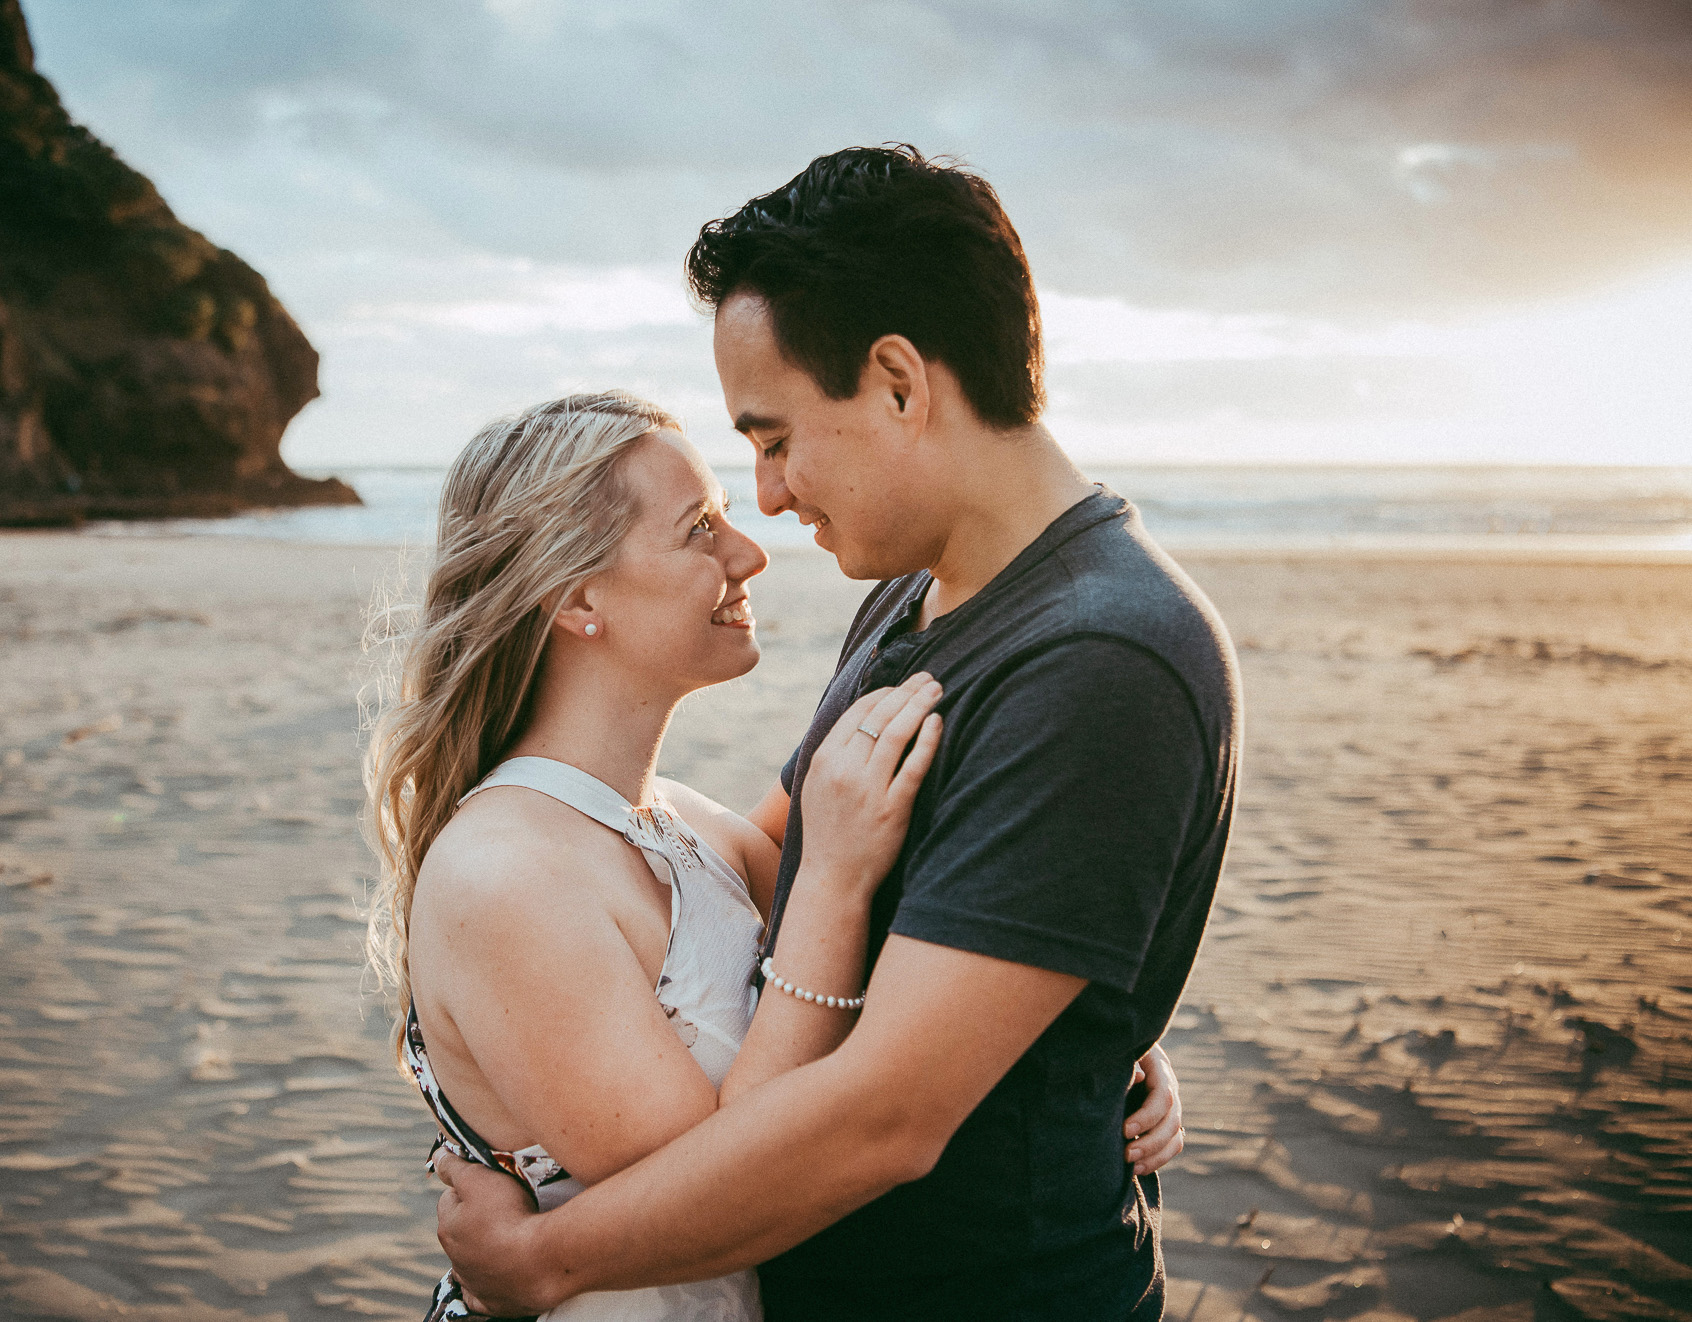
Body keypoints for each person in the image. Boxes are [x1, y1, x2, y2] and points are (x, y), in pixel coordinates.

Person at [430, 147, 1241, 1320]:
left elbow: (889, 1116)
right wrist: (1077, 1012)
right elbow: (803, 859)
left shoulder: (1101, 657)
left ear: (901, 383)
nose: (766, 499)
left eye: (774, 438)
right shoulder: (913, 601)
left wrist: (544, 1260)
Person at [368, 391, 1187, 1321]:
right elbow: (728, 1188)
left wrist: (1089, 1030)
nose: (749, 552)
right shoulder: (503, 874)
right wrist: (833, 881)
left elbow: (935, 922)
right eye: (698, 530)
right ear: (577, 598)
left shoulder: (687, 825)